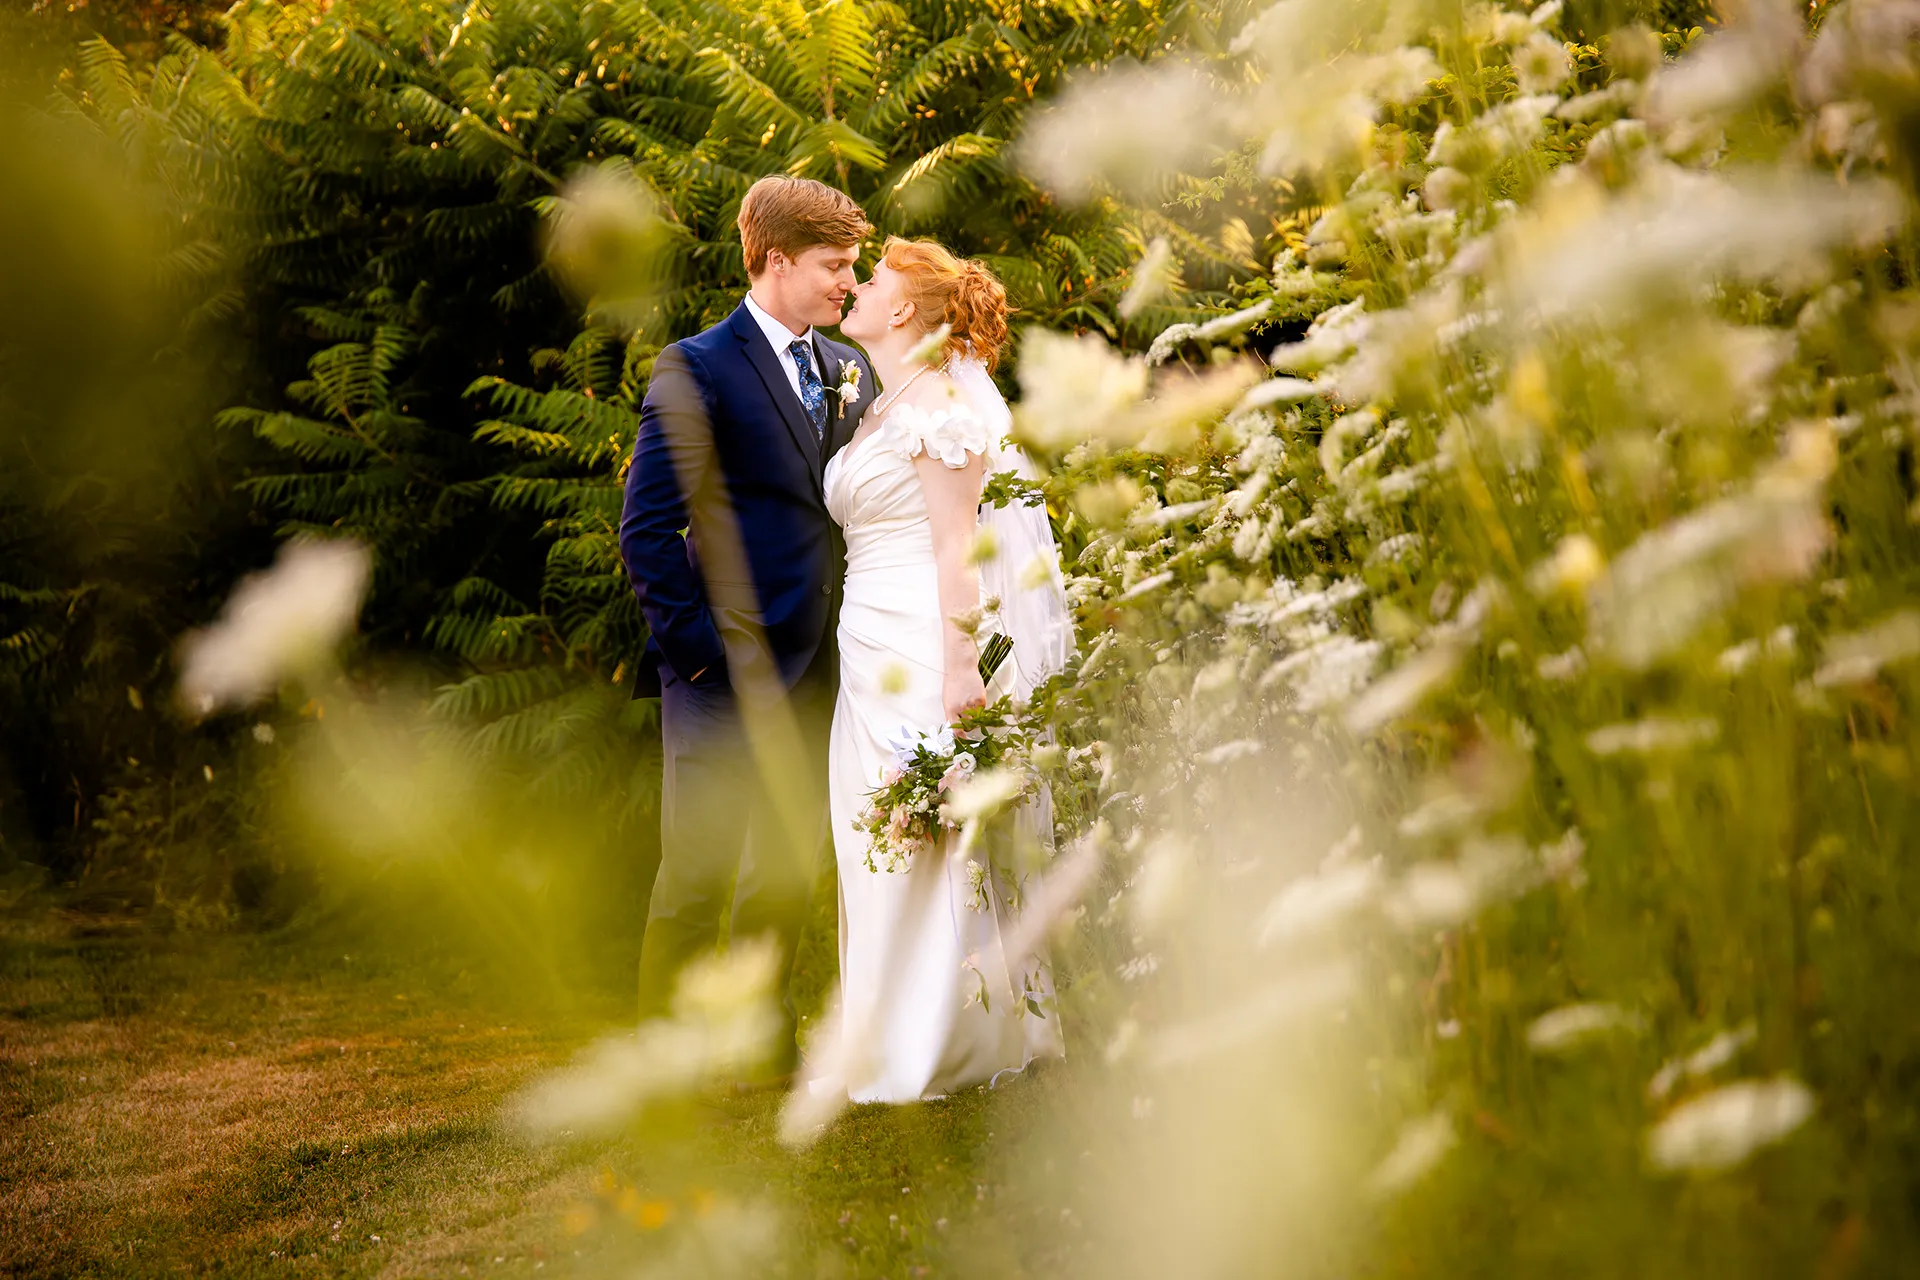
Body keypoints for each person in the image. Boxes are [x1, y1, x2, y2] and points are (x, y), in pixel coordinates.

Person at [618, 175, 875, 1074]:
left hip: (818, 671)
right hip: (718, 671)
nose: (849, 282)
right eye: (832, 266)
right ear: (773, 260)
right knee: (695, 872)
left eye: (851, 266)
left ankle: (763, 1040)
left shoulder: (852, 368)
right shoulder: (698, 365)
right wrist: (695, 659)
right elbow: (646, 527)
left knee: (786, 868)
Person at [811, 238, 1073, 1103]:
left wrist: (964, 663)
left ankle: (948, 1042)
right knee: (874, 830)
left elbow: (959, 548)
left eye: (872, 279)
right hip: (867, 642)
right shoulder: (883, 406)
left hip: (924, 641)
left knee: (933, 832)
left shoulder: (940, 412)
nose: (856, 288)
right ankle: (884, 1040)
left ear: (902, 312)